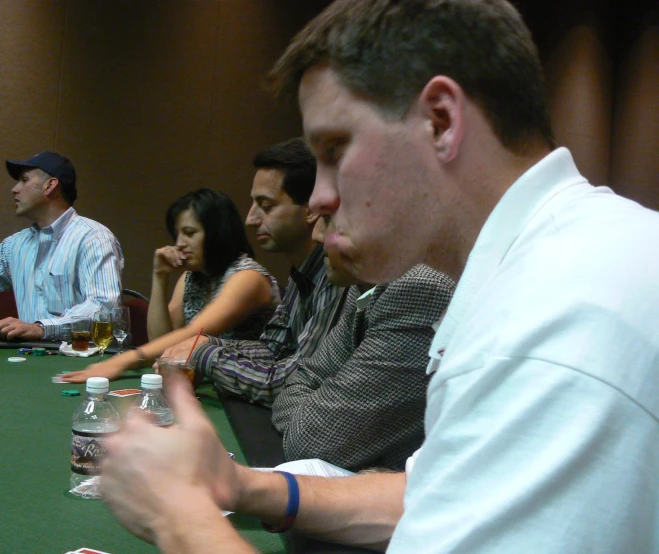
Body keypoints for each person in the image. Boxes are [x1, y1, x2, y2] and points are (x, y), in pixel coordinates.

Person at [102, 1, 659, 552]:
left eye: (334, 150)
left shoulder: (550, 322)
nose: (319, 197)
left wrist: (180, 516)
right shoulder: (549, 256)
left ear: (440, 121)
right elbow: (438, 496)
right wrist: (241, 486)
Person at [160, 138, 347, 406]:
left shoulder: (337, 278)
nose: (250, 218)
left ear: (313, 209)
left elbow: (291, 383)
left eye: (266, 206)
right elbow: (273, 350)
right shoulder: (302, 274)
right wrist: (205, 345)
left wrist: (204, 353)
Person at [272, 216, 454, 471]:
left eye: (329, 218)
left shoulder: (418, 287)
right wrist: (308, 415)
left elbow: (311, 441)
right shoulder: (367, 286)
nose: (316, 235)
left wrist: (308, 417)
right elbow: (303, 376)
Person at [61, 188, 281, 383]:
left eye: (190, 233)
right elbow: (161, 343)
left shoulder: (247, 276)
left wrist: (122, 361)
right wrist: (160, 277)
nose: (179, 244)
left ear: (218, 233)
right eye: (177, 234)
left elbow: (195, 334)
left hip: (253, 388)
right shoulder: (191, 277)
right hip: (214, 383)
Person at [0, 151, 123, 341]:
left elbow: (104, 309)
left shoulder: (93, 238)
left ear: (50, 185)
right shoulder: (16, 245)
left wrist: (41, 328)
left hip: (85, 362)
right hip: (31, 358)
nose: (14, 189)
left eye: (24, 180)